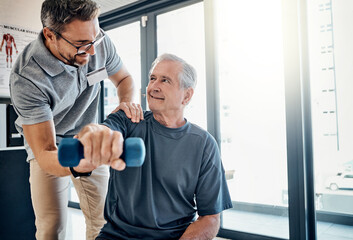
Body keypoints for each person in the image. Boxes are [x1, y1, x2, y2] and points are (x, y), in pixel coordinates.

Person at [9, 0, 143, 239]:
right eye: (82, 44)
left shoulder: (98, 43)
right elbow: (45, 151)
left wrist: (123, 103)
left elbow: (125, 79)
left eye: (95, 39)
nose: (92, 52)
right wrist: (76, 165)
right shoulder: (27, 77)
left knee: (101, 222)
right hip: (51, 149)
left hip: (91, 138)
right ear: (50, 35)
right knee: (52, 227)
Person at [73, 53, 233, 239]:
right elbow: (104, 132)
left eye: (165, 80)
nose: (154, 87)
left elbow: (211, 218)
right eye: (152, 79)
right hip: (116, 235)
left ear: (187, 95)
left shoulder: (204, 144)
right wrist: (93, 136)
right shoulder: (127, 120)